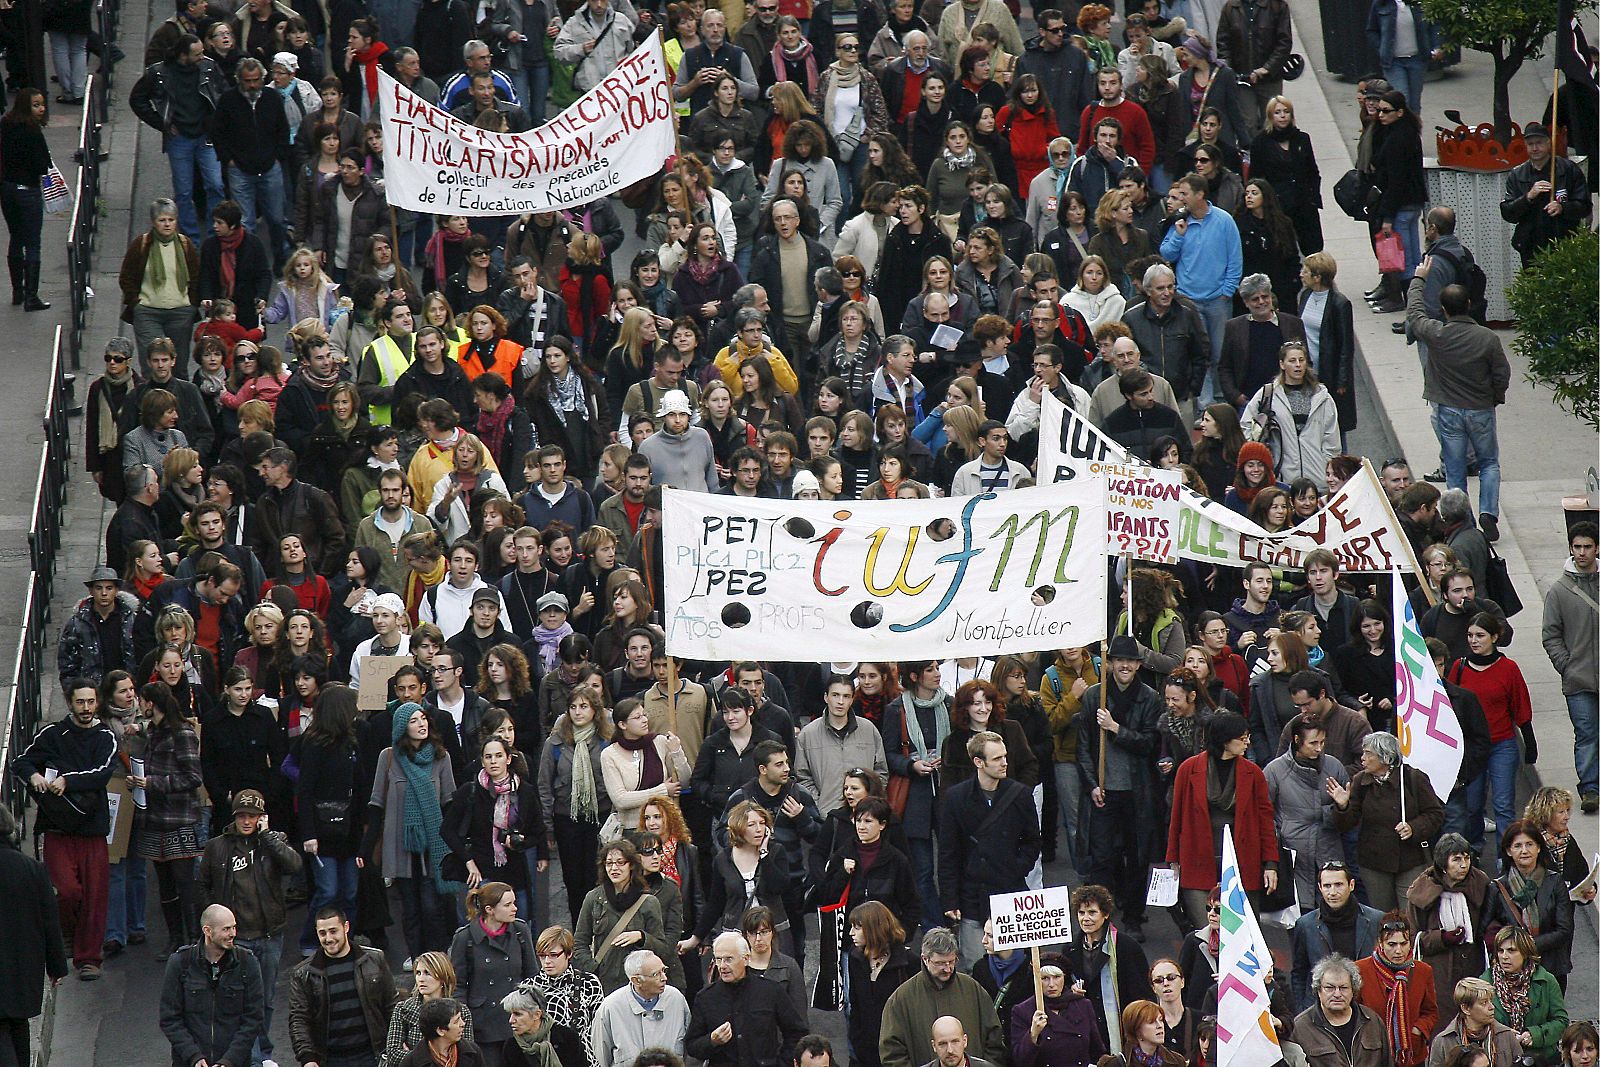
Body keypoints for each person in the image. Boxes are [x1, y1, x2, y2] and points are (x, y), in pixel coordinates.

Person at [12, 678, 118, 981]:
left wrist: (68, 781)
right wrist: (33, 776)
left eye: (90, 702)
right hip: (57, 827)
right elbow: (21, 762)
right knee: (67, 891)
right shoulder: (53, 734)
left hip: (92, 828)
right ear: (69, 703)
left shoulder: (105, 737)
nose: (86, 708)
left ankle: (89, 958)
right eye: (80, 702)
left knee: (95, 896)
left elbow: (102, 772)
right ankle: (68, 934)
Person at [1405, 256, 1510, 541]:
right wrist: (1494, 397)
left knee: (1454, 469)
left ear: (1443, 310)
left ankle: (1463, 519)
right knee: (1489, 463)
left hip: (1448, 409)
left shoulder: (1437, 333)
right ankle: (1488, 512)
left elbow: (1414, 314)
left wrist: (1419, 279)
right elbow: (1502, 373)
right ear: (1468, 305)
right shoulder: (1487, 338)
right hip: (1480, 409)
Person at [1075, 635, 1163, 938]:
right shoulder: (1093, 697)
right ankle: (1102, 917)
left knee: (1137, 857)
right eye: (1119, 660)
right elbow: (1083, 747)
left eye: (1131, 661)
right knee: (1102, 859)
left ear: (1138, 665)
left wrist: (1115, 729)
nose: (1125, 665)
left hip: (1137, 792)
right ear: (1110, 663)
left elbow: (1150, 744)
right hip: (1104, 790)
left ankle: (1134, 917)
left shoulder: (1151, 698)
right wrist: (1091, 785)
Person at [363, 702, 459, 961]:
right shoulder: (389, 757)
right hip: (400, 844)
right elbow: (376, 802)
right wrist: (367, 846)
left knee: (431, 905)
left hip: (433, 842)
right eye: (414, 720)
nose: (421, 724)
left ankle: (436, 957)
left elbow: (449, 800)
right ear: (402, 727)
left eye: (423, 718)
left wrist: (456, 843)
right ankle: (417, 959)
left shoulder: (441, 757)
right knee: (409, 908)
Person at [1166, 710, 1279, 928]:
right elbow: (1176, 818)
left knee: (1244, 935)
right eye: (1242, 737)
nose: (1247, 742)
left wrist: (1271, 863)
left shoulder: (1253, 773)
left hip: (1243, 859)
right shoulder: (1188, 769)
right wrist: (1173, 859)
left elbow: (1266, 821)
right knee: (1205, 932)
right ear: (1224, 740)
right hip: (1198, 858)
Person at [939, 730, 1041, 966]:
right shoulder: (956, 798)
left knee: (1017, 965)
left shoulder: (1020, 795)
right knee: (977, 965)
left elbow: (1033, 841)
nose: (1005, 762)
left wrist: (1016, 868)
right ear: (978, 762)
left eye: (1004, 756)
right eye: (997, 758)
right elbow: (948, 853)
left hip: (1010, 890)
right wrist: (950, 899)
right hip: (972, 894)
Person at [1160, 170, 1242, 398]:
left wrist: (1228, 291)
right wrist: (1178, 234)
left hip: (1218, 300)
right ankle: (1204, 402)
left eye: (1185, 193)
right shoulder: (1179, 220)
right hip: (1189, 300)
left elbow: (1235, 259)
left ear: (1200, 194)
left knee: (1220, 352)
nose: (1181, 198)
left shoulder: (1224, 221)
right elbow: (1166, 252)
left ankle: (1221, 396)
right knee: (1200, 354)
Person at [879, 927, 1006, 1067]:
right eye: (940, 963)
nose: (947, 969)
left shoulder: (972, 989)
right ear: (925, 959)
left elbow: (994, 1038)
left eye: (952, 961)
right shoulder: (901, 1000)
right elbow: (892, 1052)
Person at [159, 905, 265, 1067]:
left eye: (234, 927)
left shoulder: (247, 963)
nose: (233, 934)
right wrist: (194, 1056)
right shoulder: (180, 963)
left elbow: (253, 1018)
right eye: (226, 929)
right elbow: (170, 1018)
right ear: (208, 931)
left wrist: (229, 1061)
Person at [1266, 719, 1350, 911]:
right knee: (1298, 918)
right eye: (1313, 743)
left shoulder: (1334, 766)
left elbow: (1351, 820)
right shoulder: (1275, 771)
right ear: (1297, 740)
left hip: (1328, 849)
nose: (1319, 748)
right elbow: (1265, 817)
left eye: (1322, 742)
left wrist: (1343, 806)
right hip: (1292, 853)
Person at [1486, 822, 1576, 993]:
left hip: (1551, 968)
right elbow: (1486, 927)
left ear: (1539, 848)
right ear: (1508, 851)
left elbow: (1564, 929)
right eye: (1517, 846)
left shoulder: (1555, 882)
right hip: (1512, 972)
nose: (1524, 851)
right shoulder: (1498, 887)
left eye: (1529, 844)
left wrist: (1527, 946)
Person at [573, 839, 670, 994]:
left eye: (620, 862)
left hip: (637, 986)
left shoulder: (648, 902)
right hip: (603, 985)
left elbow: (663, 949)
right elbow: (579, 943)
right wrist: (593, 969)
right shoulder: (593, 898)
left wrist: (641, 937)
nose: (614, 868)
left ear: (631, 865)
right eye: (609, 863)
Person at [1066, 884, 1152, 1054]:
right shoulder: (1070, 950)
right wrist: (1071, 991)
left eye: (1092, 912)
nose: (1085, 918)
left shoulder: (1127, 947)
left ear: (1105, 914)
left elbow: (1142, 994)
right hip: (1085, 1030)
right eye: (1081, 913)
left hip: (1122, 1031)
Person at [1292, 861, 1384, 1012]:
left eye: (1339, 884)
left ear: (1351, 885)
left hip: (1366, 1005)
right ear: (1320, 887)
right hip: (1320, 1009)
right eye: (1327, 886)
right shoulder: (1305, 925)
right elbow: (1299, 973)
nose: (1333, 892)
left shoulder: (1376, 920)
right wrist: (1303, 1010)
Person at [1499, 122, 1593, 268]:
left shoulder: (1568, 169)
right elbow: (1508, 213)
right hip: (1531, 247)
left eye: (1539, 143)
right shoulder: (1517, 175)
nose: (1535, 148)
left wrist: (1563, 208)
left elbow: (1585, 206)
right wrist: (1528, 197)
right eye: (1530, 144)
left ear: (1549, 143)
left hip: (1564, 244)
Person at [1355, 911, 1439, 1067]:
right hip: (1373, 1055)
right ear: (1380, 943)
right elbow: (1353, 1012)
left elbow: (1430, 1012)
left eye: (1403, 943)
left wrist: (1417, 1030)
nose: (1398, 950)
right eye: (1392, 944)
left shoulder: (1423, 971)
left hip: (1412, 1055)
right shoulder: (1361, 970)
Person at [586, 950, 690, 1067]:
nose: (664, 978)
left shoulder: (676, 999)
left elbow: (689, 1047)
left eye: (664, 970)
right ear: (636, 980)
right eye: (656, 974)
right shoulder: (611, 1007)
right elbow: (600, 1057)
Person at [1482, 926, 1569, 1063]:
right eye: (1500, 951)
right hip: (1500, 1057)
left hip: (1540, 1058)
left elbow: (1561, 1022)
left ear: (1525, 952)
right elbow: (1478, 1023)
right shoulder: (1485, 983)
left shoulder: (1546, 980)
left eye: (1511, 951)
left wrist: (1535, 1035)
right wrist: (1503, 1034)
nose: (1504, 956)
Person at [1292, 955, 1391, 1067]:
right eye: (1330, 988)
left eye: (1343, 988)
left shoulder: (1372, 1021)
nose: (1337, 994)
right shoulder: (1301, 1027)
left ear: (1353, 990)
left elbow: (1387, 1062)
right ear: (1318, 990)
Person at [1009, 953, 1103, 1067]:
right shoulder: (1023, 1011)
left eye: (1056, 977)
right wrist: (1033, 1035)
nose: (1051, 984)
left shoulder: (1083, 1005)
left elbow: (1097, 1050)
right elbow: (1020, 1060)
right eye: (1044, 978)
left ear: (1064, 977)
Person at [386, 953, 480, 1067]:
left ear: (442, 977)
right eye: (418, 973)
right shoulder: (403, 1009)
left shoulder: (461, 1011)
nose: (421, 979)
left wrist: (414, 1054)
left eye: (427, 973)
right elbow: (393, 1053)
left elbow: (467, 1052)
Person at [1425, 977, 1523, 1067]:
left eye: (1490, 1001)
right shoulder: (1443, 1041)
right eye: (1484, 1003)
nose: (1492, 1007)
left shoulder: (1506, 1036)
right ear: (1466, 1008)